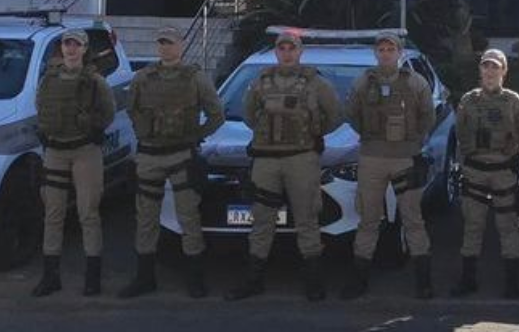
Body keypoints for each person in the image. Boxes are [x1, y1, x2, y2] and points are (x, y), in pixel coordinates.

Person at [225, 31, 343, 302]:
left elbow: (335, 115)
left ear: (299, 51)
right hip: (266, 160)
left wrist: (314, 133)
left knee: (306, 218)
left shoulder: (316, 83)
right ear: (276, 52)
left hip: (301, 158)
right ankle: (253, 279)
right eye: (282, 48)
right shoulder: (261, 82)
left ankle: (314, 281)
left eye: (292, 48)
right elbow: (249, 114)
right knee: (262, 219)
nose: (287, 53)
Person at [119, 27, 225, 299]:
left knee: (188, 216)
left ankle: (195, 279)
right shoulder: (143, 77)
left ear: (181, 45)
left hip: (181, 155)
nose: (165, 47)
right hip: (149, 155)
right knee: (145, 218)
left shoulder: (195, 78)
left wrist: (195, 136)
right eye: (161, 43)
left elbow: (216, 115)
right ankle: (144, 278)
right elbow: (132, 109)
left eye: (170, 42)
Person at [341, 31, 437, 300]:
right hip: (372, 157)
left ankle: (423, 281)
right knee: (368, 219)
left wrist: (414, 143)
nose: (386, 54)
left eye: (390, 49)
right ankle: (358, 279)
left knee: (412, 218)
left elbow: (427, 116)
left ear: (400, 53)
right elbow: (351, 114)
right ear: (375, 53)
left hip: (406, 158)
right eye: (381, 49)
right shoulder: (364, 82)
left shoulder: (415, 82)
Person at [30, 28, 116, 298]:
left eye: (75, 44)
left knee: (87, 213)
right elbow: (40, 105)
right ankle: (50, 276)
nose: (70, 49)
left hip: (84, 151)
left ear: (84, 48)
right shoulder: (49, 78)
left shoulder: (95, 81)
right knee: (53, 213)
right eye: (66, 44)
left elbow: (109, 112)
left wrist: (93, 128)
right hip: (55, 149)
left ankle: (92, 278)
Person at [450, 49, 519, 299]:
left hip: (503, 172)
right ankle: (468, 279)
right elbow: (460, 131)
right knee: (472, 225)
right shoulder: (468, 100)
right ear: (480, 70)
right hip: (475, 170)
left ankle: (512, 283)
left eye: (495, 67)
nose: (490, 72)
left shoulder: (513, 101)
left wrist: (513, 150)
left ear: (504, 71)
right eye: (486, 66)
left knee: (507, 226)